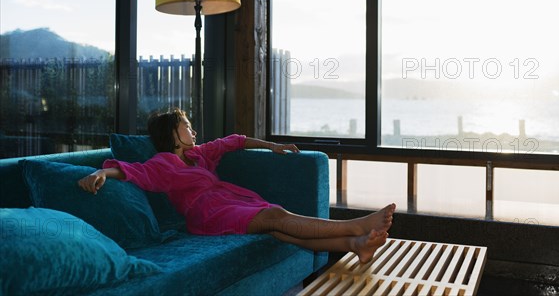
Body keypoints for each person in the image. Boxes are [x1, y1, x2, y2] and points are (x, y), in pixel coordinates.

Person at [78, 108, 396, 263]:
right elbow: (136, 171)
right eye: (185, 126)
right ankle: (357, 226)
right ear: (171, 133)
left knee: (277, 229)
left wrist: (270, 145)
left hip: (229, 202)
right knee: (275, 216)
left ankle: (356, 246)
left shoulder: (199, 154)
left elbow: (232, 142)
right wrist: (103, 174)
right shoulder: (164, 162)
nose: (192, 130)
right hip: (207, 215)